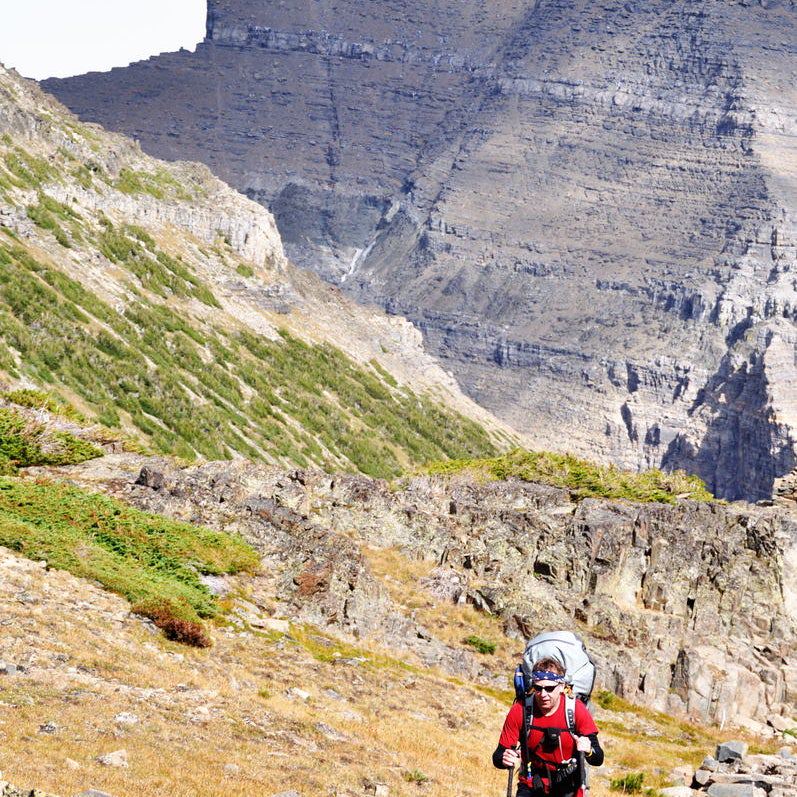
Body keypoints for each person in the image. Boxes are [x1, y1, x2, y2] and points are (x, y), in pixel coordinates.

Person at [492, 657, 604, 797]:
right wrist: (504, 759)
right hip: (531, 783)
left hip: (568, 785)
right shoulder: (521, 709)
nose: (543, 694)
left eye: (550, 688)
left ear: (562, 686)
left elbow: (598, 758)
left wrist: (589, 750)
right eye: (538, 688)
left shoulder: (576, 709)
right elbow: (498, 756)